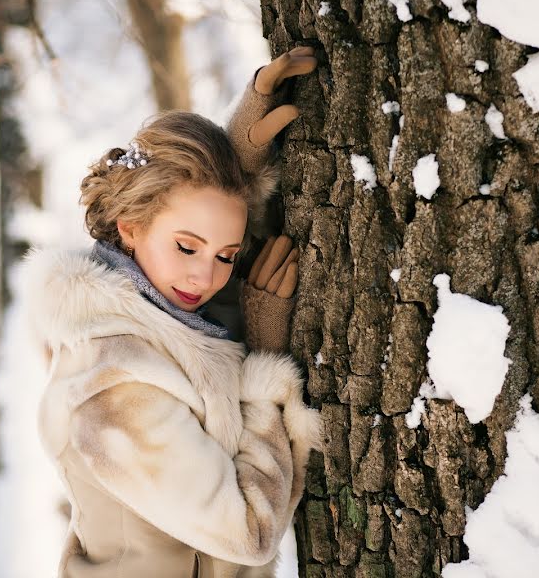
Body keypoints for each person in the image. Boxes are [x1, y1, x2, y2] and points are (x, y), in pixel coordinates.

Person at [18, 48, 322, 577]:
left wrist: (242, 167)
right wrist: (267, 365)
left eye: (226, 256)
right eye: (187, 247)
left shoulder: (166, 314)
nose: (206, 277)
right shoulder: (114, 387)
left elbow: (218, 267)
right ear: (130, 226)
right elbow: (250, 533)